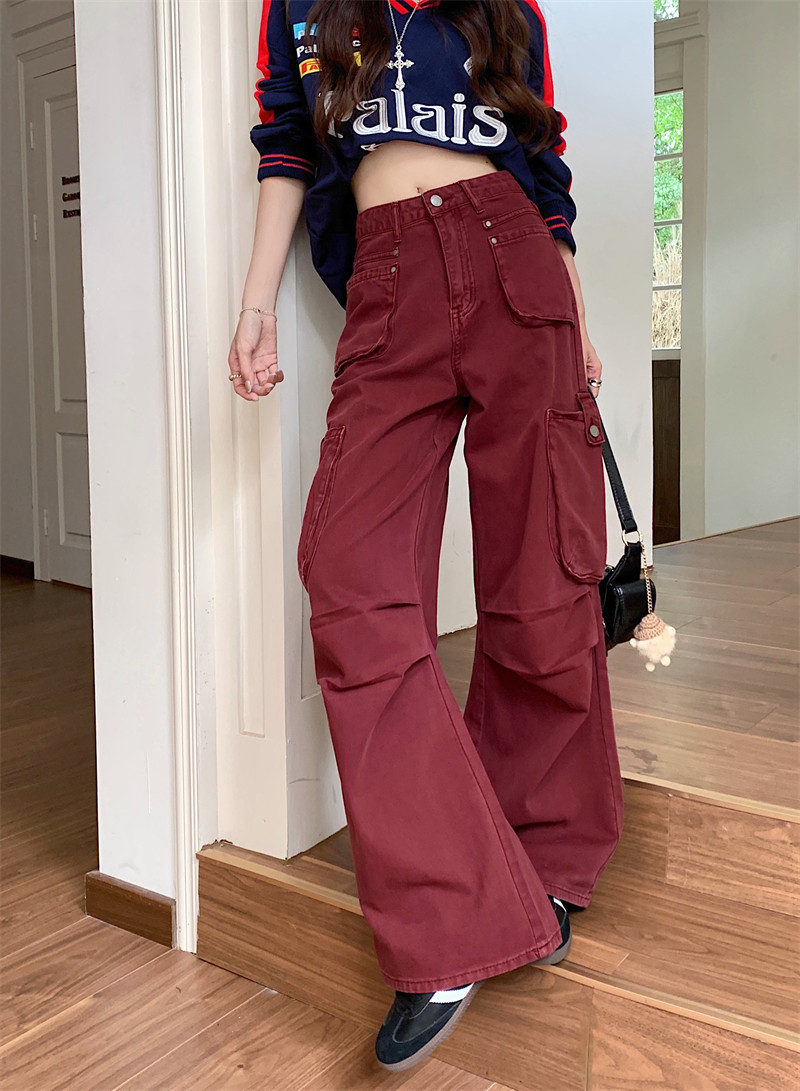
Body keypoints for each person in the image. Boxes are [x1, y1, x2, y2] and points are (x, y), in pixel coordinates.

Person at [228, 0, 624, 1073]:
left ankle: (543, 851)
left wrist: (578, 321)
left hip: (513, 260)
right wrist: (255, 304)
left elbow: (544, 168)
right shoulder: (299, 7)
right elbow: (284, 144)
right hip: (388, 280)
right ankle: (450, 916)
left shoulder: (508, 9)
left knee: (543, 573)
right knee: (348, 577)